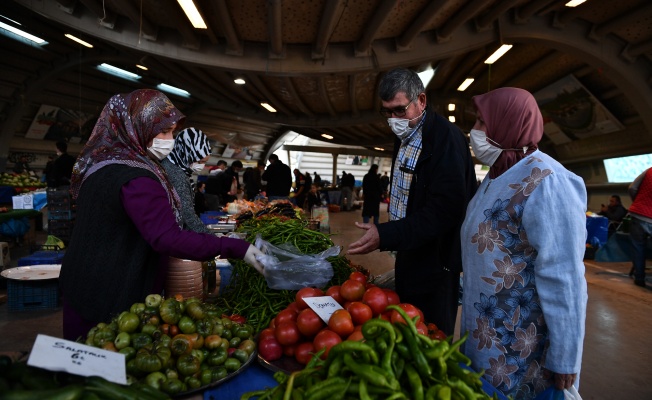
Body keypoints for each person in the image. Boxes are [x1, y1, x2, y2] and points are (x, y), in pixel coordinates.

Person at [58, 89, 264, 341]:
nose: (171, 140)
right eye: (164, 131)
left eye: (173, 132)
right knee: (109, 363)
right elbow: (166, 238)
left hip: (82, 281)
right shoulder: (137, 179)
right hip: (112, 289)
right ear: (136, 128)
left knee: (82, 363)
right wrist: (236, 248)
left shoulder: (101, 166)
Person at [460, 87, 587, 398]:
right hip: (484, 335)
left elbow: (565, 276)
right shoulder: (495, 176)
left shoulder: (548, 181)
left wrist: (565, 355)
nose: (474, 131)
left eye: (481, 122)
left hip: (520, 345)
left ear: (509, 122)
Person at [347, 68, 477, 335]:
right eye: (387, 112)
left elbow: (446, 209)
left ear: (421, 101)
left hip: (436, 261)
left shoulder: (446, 139)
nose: (393, 119)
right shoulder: (405, 136)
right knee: (405, 328)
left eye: (399, 110)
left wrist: (387, 234)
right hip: (409, 249)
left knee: (429, 333)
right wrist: (396, 237)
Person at [161, 127, 212, 234]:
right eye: (199, 161)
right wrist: (214, 240)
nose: (201, 166)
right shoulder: (176, 174)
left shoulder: (176, 166)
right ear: (187, 153)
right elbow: (187, 216)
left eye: (204, 162)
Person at [628, 168, 652, 287]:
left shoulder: (649, 171)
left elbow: (632, 187)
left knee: (638, 247)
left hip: (639, 215)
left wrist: (637, 201)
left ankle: (639, 278)